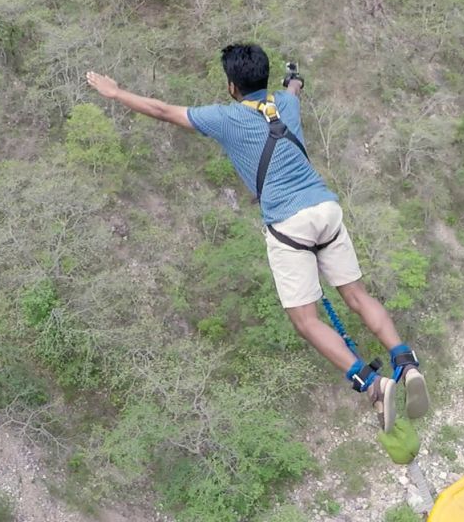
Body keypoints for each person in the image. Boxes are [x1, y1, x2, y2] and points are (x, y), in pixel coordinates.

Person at [85, 45, 429, 432]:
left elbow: (163, 110)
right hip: (326, 210)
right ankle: (405, 361)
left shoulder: (225, 118)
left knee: (305, 320)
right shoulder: (286, 103)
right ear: (265, 77)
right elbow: (294, 92)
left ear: (232, 85)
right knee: (357, 295)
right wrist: (295, 82)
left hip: (288, 224)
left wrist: (115, 93)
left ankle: (372, 384)